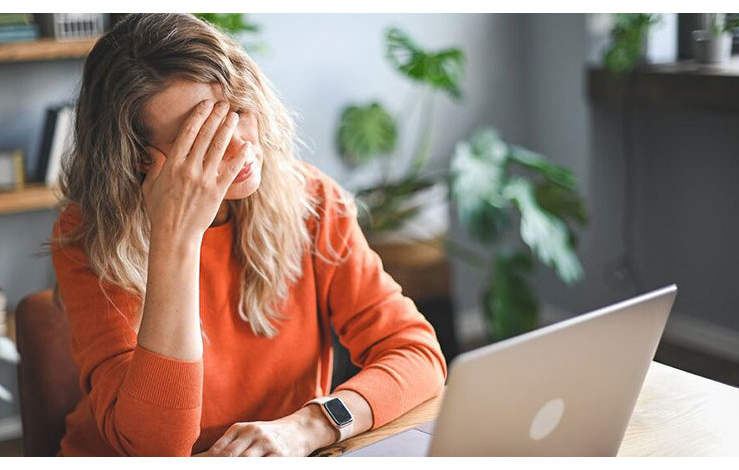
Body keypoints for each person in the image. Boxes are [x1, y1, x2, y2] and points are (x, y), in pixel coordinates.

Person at [50, 13, 446, 457]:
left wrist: (309, 426)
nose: (241, 144)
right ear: (143, 160)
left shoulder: (311, 200)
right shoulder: (88, 237)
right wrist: (176, 240)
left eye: (238, 109)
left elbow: (417, 354)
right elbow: (156, 448)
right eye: (202, 134)